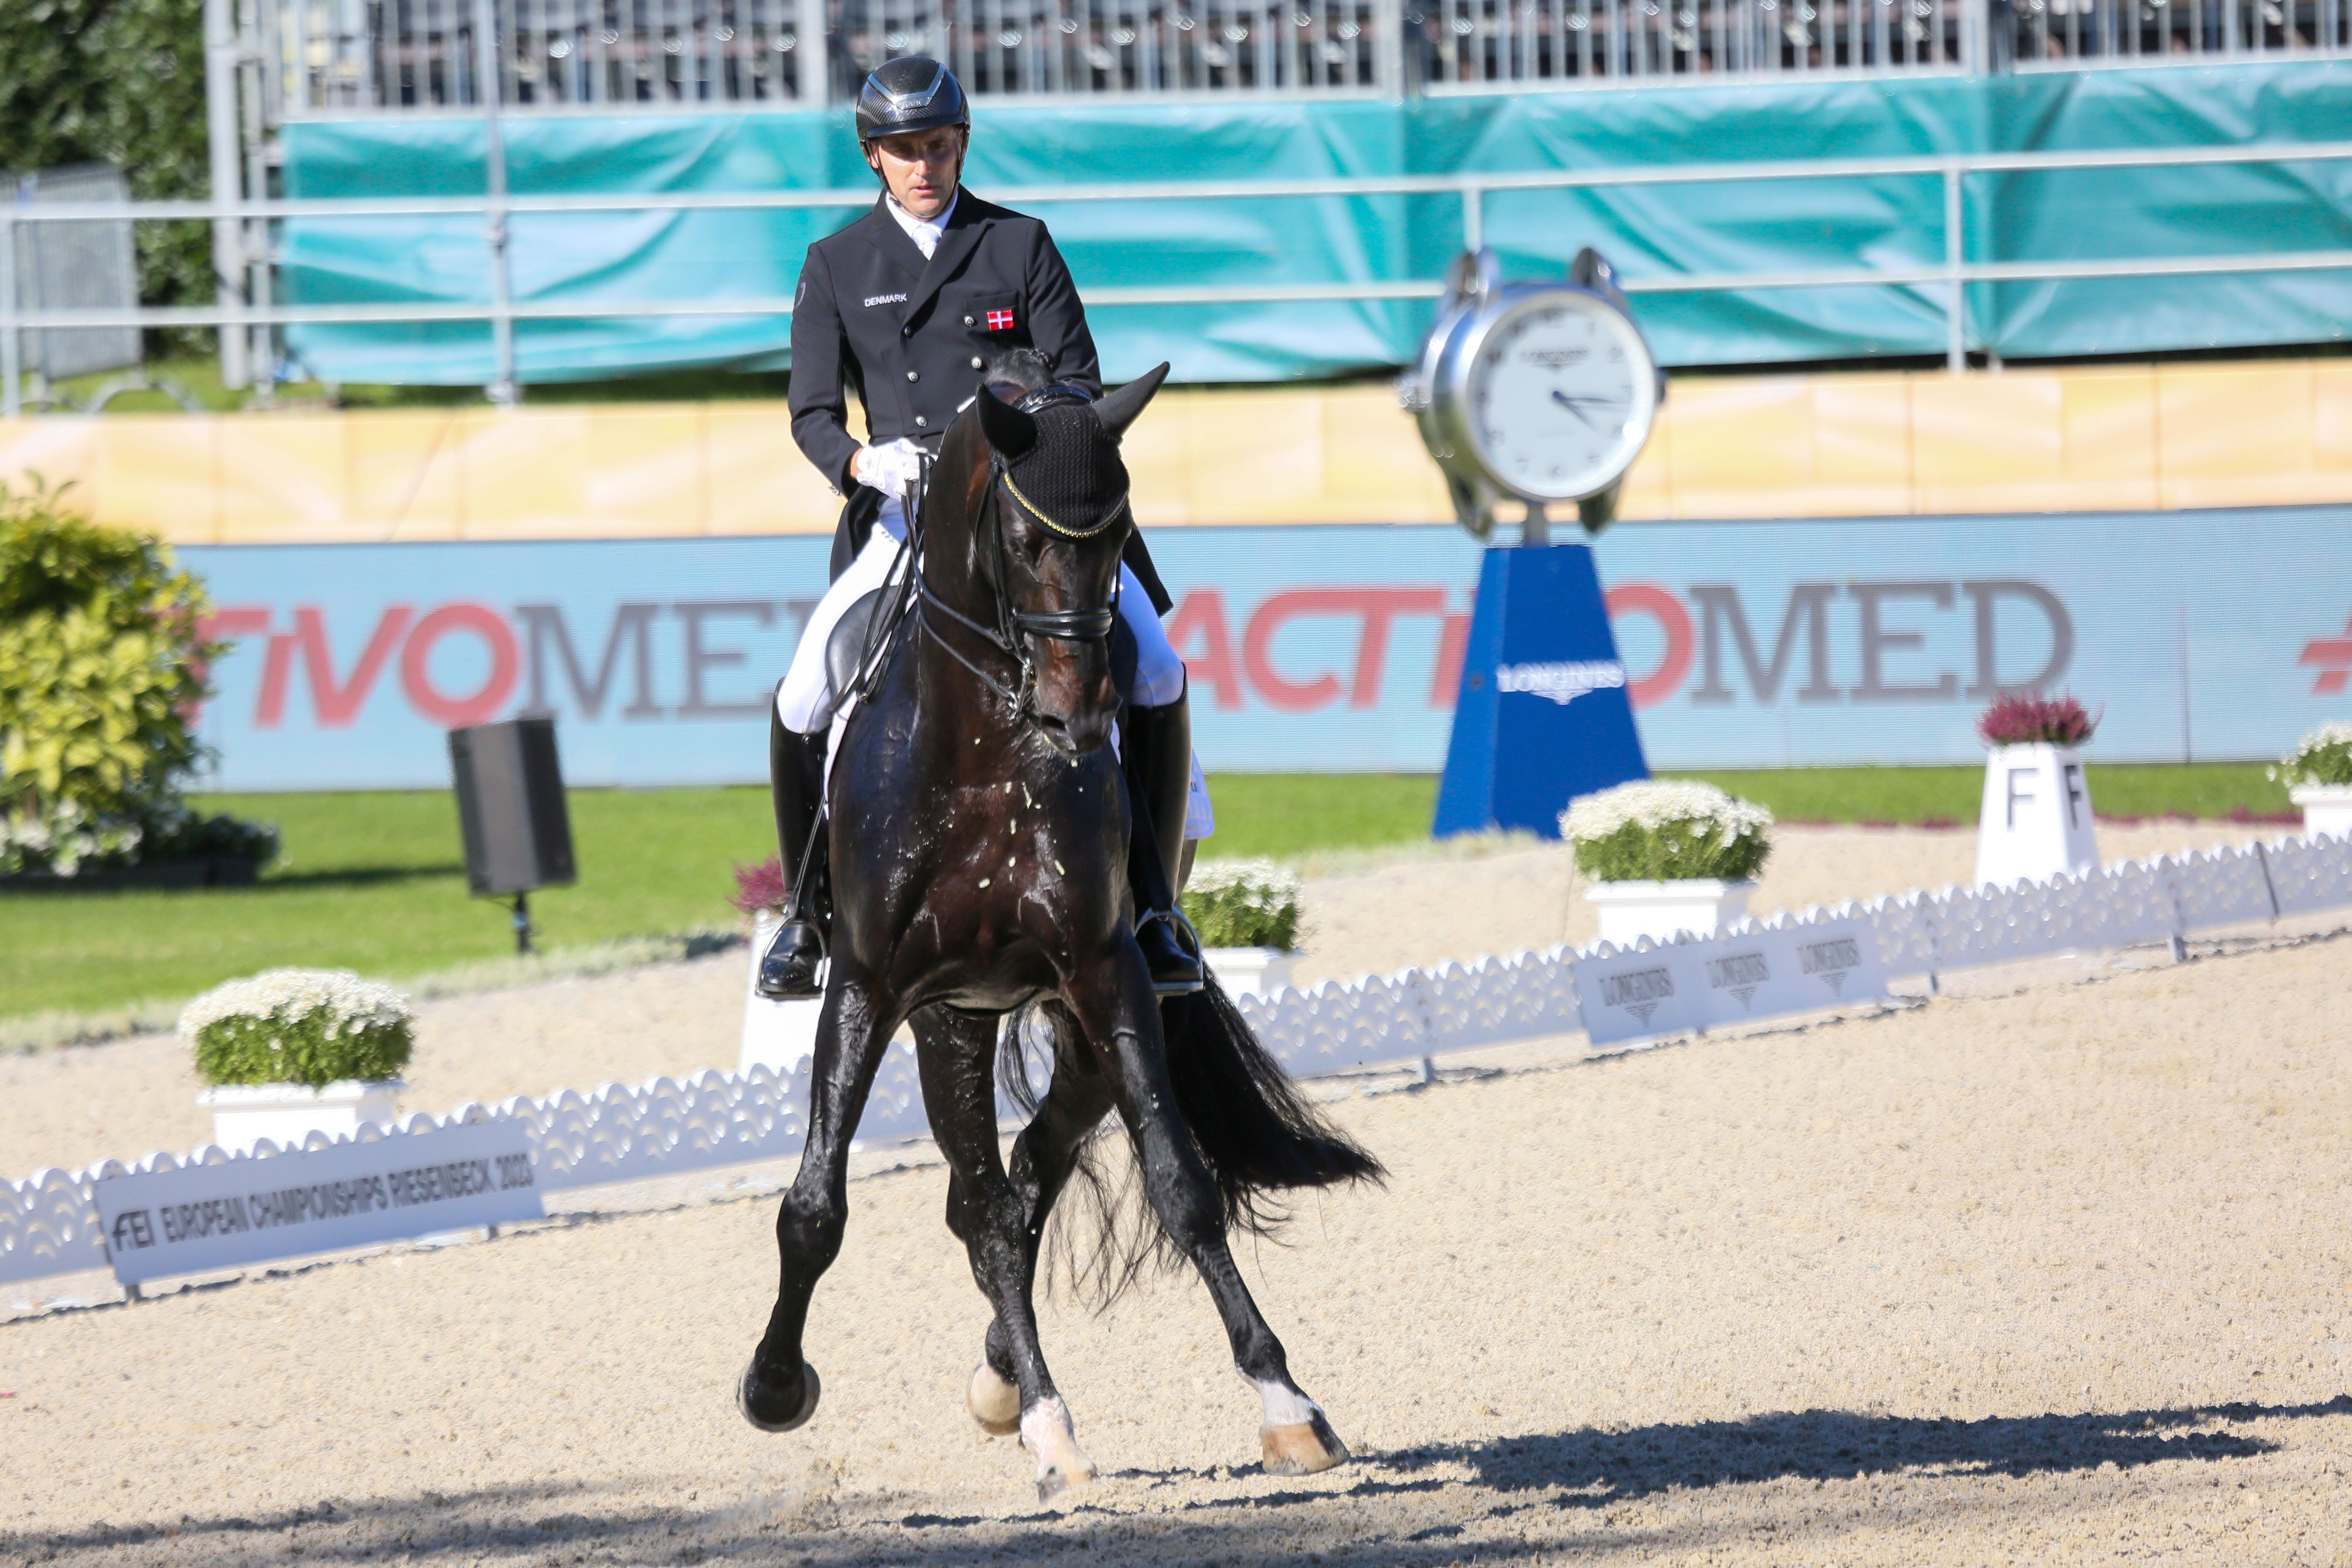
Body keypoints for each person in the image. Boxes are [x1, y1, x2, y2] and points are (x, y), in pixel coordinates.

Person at [757, 55, 1206, 1001]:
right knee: (804, 690)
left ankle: (1157, 908)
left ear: (960, 144)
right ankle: (804, 919)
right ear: (873, 158)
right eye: (904, 151)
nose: (924, 166)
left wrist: (1032, 433)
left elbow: (1081, 381)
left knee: (1158, 665)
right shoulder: (835, 264)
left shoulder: (1020, 244)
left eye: (939, 146)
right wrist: (860, 460)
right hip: (908, 519)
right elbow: (809, 412)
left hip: (1029, 515)